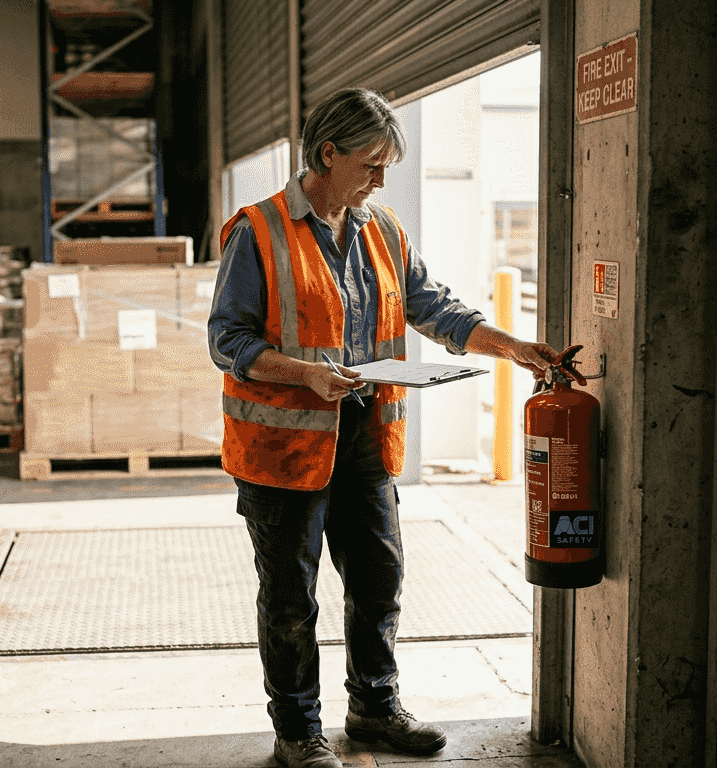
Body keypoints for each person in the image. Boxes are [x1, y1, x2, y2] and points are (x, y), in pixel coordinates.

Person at [207, 87, 558, 768]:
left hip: (364, 435)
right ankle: (298, 730)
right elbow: (227, 340)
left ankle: (373, 706)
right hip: (283, 447)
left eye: (387, 166)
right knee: (289, 598)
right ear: (327, 153)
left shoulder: (383, 229)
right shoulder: (259, 230)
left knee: (378, 578)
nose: (380, 179)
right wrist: (305, 373)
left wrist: (512, 346)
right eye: (370, 164)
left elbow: (436, 310)